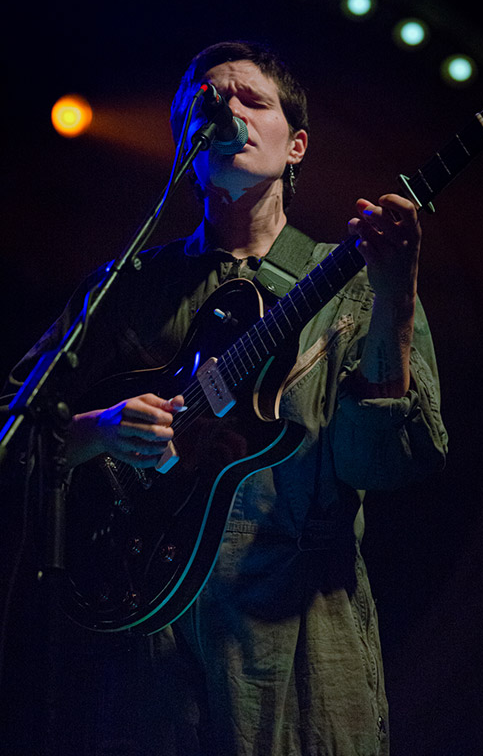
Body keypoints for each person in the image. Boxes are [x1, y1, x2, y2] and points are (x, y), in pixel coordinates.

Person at [1, 40, 447, 755]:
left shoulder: (357, 288)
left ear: (296, 144)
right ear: (184, 141)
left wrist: (396, 296)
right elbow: (14, 429)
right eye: (206, 102)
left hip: (299, 644)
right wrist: (97, 428)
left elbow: (389, 465)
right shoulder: (128, 288)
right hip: (146, 649)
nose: (226, 109)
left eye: (251, 99)